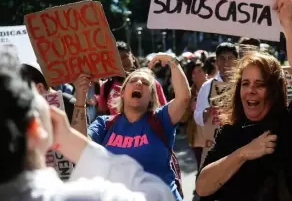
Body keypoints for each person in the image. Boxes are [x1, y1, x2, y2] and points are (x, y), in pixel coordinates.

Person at [195, 0, 292, 200]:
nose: (251, 90)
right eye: (245, 83)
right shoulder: (230, 132)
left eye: (260, 84)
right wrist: (244, 153)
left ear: (273, 89)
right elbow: (203, 187)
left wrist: (287, 25)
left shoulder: (289, 123)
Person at [0, 66, 175, 201]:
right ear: (37, 128)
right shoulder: (92, 196)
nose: (138, 85)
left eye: (144, 83)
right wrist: (70, 140)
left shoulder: (158, 119)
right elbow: (157, 194)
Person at [88, 53, 191, 201]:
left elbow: (184, 98)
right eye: (133, 80)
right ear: (122, 93)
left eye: (145, 83)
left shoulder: (161, 119)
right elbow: (82, 146)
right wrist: (80, 99)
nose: (139, 83)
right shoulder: (105, 124)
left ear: (151, 97)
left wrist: (172, 61)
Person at [194, 42, 239, 167]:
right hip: (213, 147)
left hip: (238, 146)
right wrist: (206, 112)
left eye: (230, 58)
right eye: (222, 59)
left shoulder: (243, 84)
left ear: (236, 61)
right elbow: (198, 116)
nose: (226, 63)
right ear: (216, 62)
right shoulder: (207, 86)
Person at [97, 41, 168, 116]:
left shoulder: (150, 83)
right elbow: (102, 112)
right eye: (116, 59)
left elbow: (164, 112)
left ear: (132, 58)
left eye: (124, 57)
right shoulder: (106, 86)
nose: (121, 62)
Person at [181, 60, 208, 169]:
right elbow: (182, 118)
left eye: (200, 71)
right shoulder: (188, 94)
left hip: (212, 136)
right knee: (201, 167)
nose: (197, 74)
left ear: (206, 74)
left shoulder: (214, 90)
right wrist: (190, 109)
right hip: (196, 138)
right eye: (194, 72)